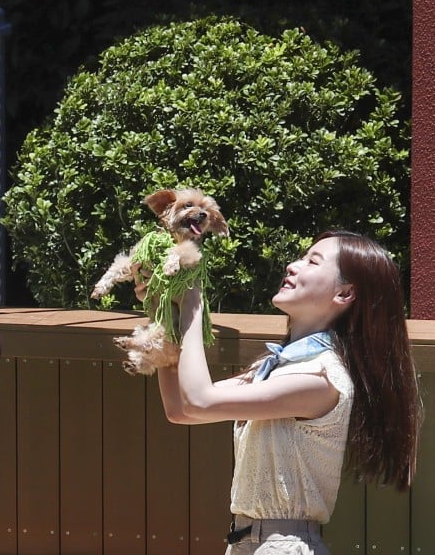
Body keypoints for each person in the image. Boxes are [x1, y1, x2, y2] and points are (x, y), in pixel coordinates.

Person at [137, 230, 422, 555]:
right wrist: (163, 311)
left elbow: (200, 399)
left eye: (312, 261)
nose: (292, 265)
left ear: (344, 293)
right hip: (247, 543)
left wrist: (192, 304)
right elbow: (181, 409)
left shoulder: (320, 376)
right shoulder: (279, 367)